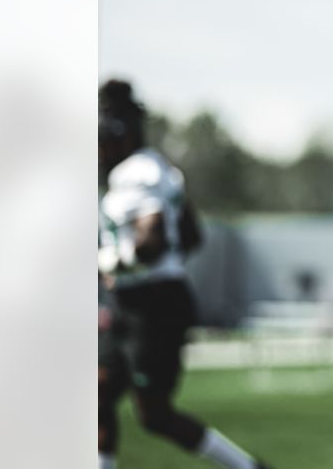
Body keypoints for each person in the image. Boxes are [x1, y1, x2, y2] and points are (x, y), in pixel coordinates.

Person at [98, 80, 270, 469]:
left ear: (116, 134)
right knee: (99, 393)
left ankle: (248, 467)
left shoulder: (136, 173)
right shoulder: (159, 169)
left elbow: (152, 241)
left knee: (154, 414)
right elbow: (191, 235)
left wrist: (111, 262)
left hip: (151, 307)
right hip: (135, 301)